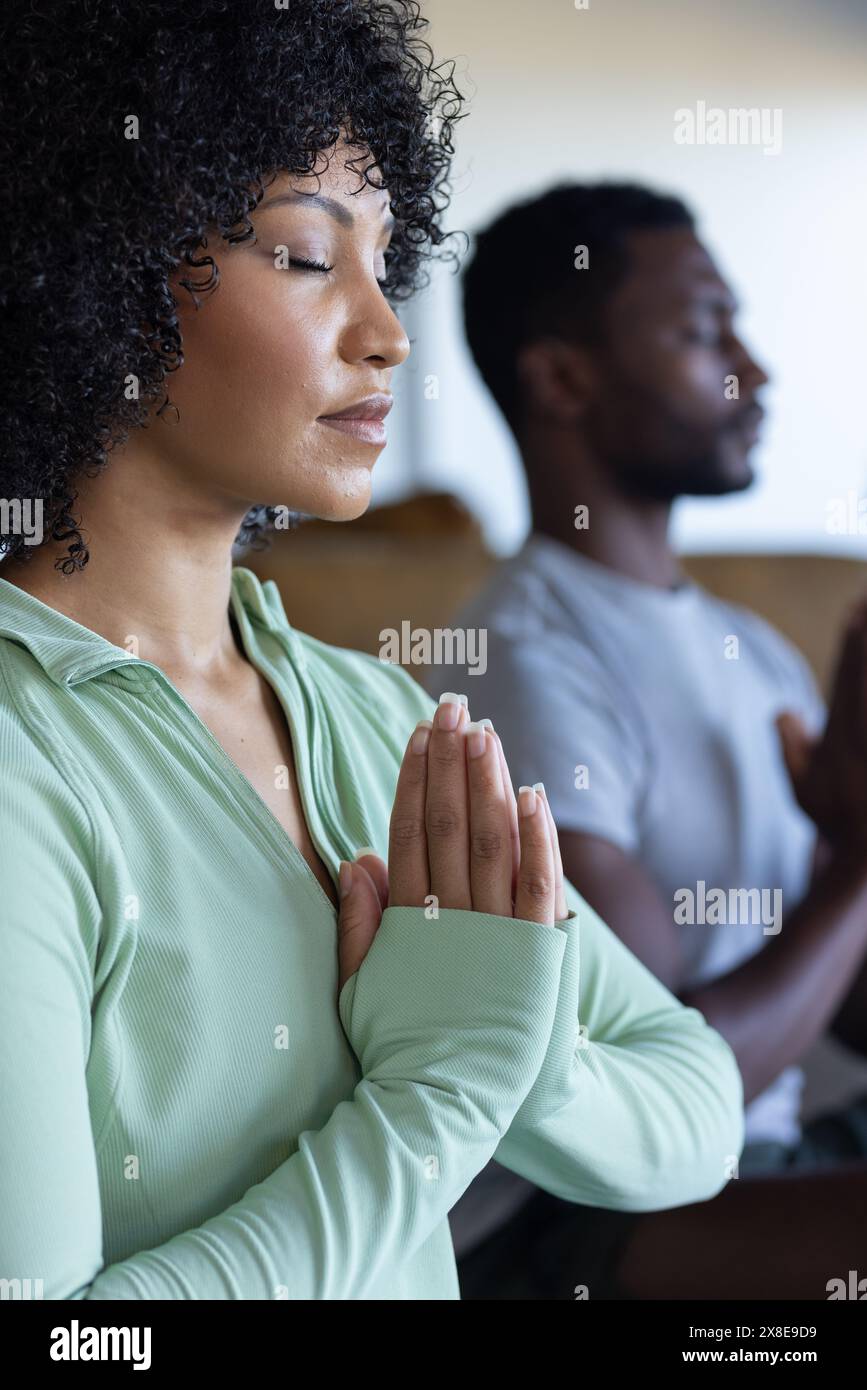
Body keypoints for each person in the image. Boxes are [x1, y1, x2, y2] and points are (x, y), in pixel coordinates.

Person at [0, 8, 743, 1300]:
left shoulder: (375, 711)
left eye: (384, 257)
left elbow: (697, 1102)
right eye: (303, 255)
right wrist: (437, 1091)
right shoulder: (25, 766)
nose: (387, 330)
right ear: (100, 270)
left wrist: (507, 1046)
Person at [428, 181, 867, 1299]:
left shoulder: (751, 649)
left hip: (776, 1150)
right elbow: (644, 1086)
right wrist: (861, 868)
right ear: (563, 376)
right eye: (701, 331)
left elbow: (832, 1006)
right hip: (579, 1213)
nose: (753, 373)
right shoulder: (524, 661)